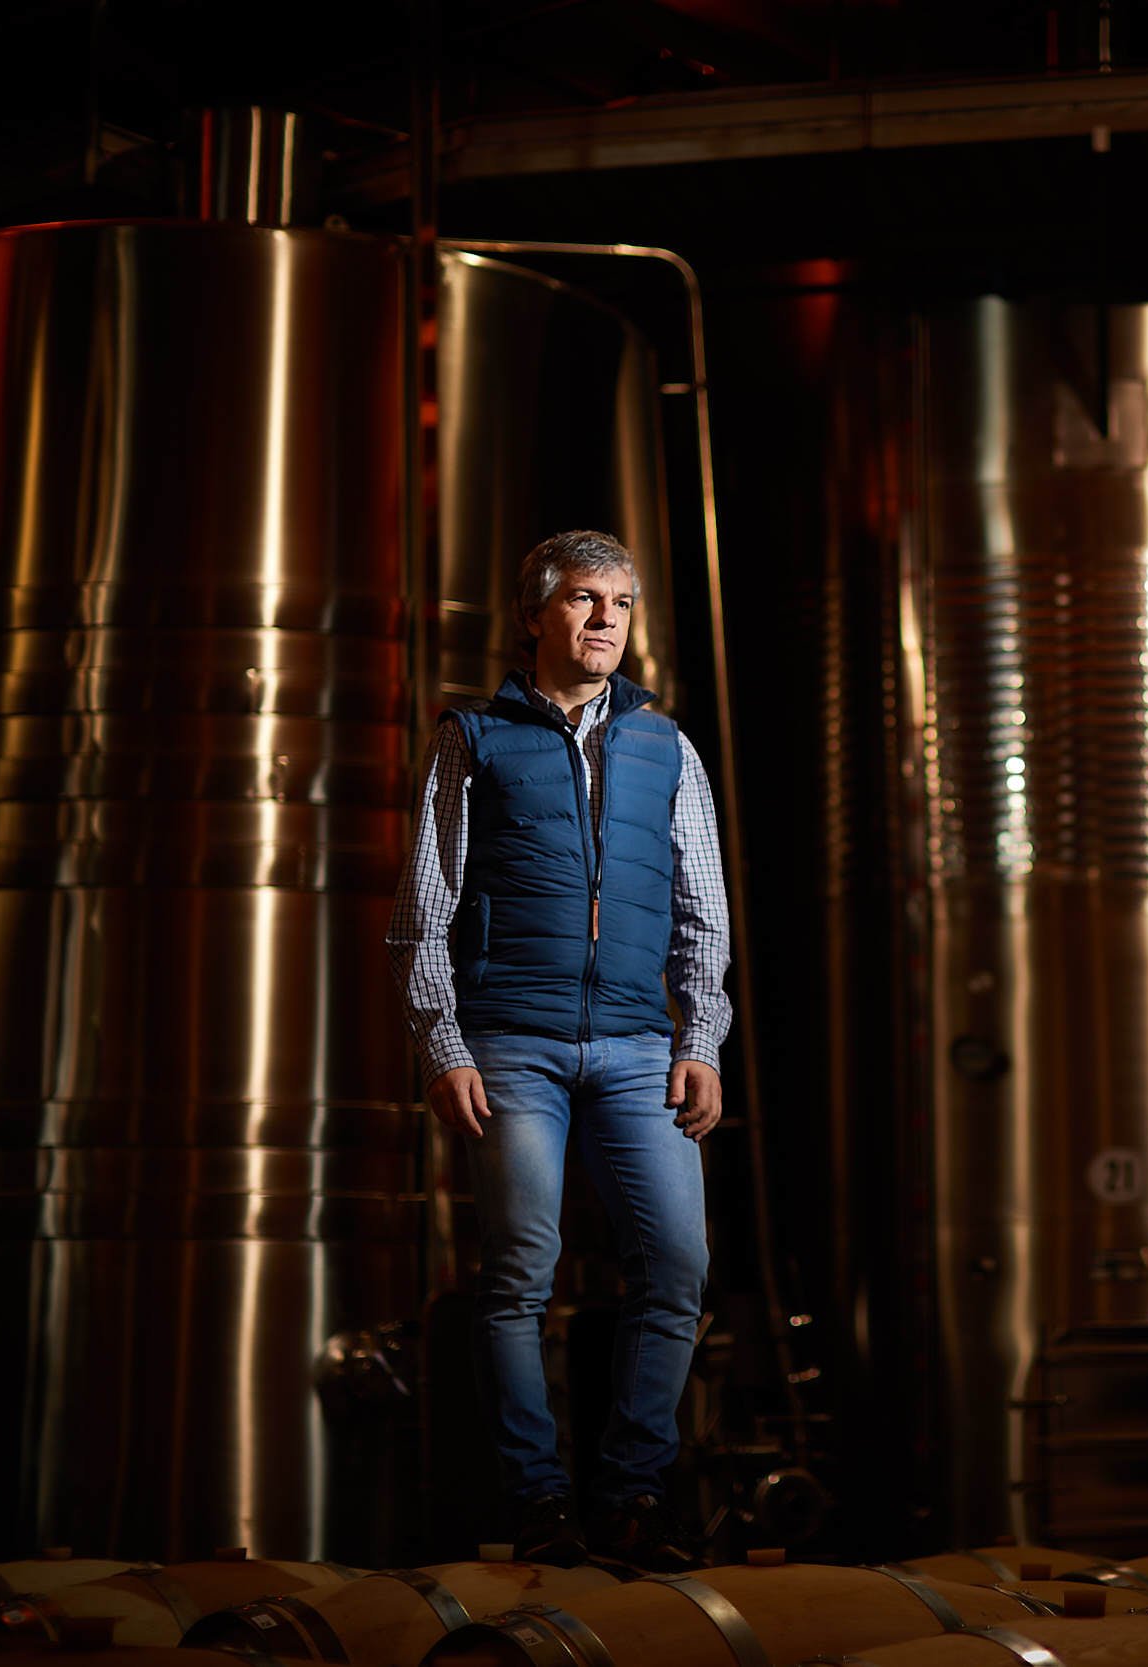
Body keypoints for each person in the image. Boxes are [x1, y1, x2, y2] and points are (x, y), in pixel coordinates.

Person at [386, 528, 732, 1571]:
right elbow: (422, 906)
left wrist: (701, 1036)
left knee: (677, 1265)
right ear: (537, 613)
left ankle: (629, 1491)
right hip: (511, 1043)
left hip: (636, 1042)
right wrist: (444, 1043)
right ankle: (541, 1502)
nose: (605, 620)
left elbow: (702, 911)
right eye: (585, 600)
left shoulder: (667, 746)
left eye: (621, 603)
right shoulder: (474, 737)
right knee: (518, 1277)